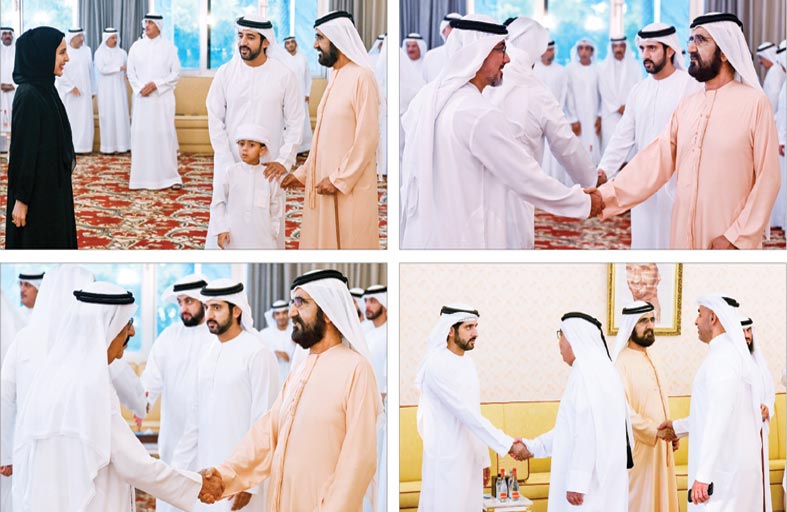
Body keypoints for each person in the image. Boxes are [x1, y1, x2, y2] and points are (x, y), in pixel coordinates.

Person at [400, 14, 602, 249]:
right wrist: (583, 203)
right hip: (471, 232)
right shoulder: (477, 112)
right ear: (479, 52)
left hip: (433, 230)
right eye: (501, 49)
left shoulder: (431, 97)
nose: (507, 58)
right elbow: (524, 176)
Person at [11, 281, 208, 511]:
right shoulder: (91, 386)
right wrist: (199, 486)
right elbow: (134, 464)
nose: (132, 332)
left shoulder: (53, 376)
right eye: (127, 323)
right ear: (105, 328)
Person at [197, 269, 381, 511]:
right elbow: (266, 435)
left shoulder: (356, 369)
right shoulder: (299, 371)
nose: (292, 312)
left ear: (327, 312)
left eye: (300, 302)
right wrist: (225, 475)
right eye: (293, 302)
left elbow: (358, 460)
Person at [597, 13, 781, 249]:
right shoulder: (687, 105)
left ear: (725, 52)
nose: (691, 48)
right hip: (682, 234)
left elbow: (769, 177)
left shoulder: (755, 103)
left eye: (701, 40)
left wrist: (736, 237)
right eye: (691, 40)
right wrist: (604, 197)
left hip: (728, 240)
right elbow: (654, 161)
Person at [487, 16, 597, 249]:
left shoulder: (483, 77)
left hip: (476, 192)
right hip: (519, 190)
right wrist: (592, 180)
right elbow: (565, 145)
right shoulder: (536, 90)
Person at [172, 278, 279, 512]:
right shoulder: (207, 353)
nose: (209, 314)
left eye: (217, 307)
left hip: (243, 477)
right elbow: (194, 420)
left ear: (237, 310)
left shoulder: (258, 353)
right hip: (207, 473)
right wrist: (177, 470)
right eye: (207, 307)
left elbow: (265, 423)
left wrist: (249, 484)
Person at [280, 11, 380, 249]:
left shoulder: (362, 77)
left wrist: (338, 179)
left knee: (349, 242)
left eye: (320, 38)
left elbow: (367, 138)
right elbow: (322, 138)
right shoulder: (335, 75)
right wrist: (303, 173)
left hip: (347, 185)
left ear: (337, 39)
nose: (315, 45)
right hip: (323, 182)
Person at [598, 23, 702, 249]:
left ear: (670, 50)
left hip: (677, 182)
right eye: (643, 49)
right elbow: (622, 136)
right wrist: (604, 170)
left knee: (675, 244)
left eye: (652, 48)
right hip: (643, 182)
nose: (646, 55)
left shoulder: (690, 86)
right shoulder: (639, 90)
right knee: (644, 243)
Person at [416, 304, 530, 512]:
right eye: (469, 327)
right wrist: (508, 445)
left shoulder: (467, 363)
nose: (476, 333)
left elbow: (474, 413)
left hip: (469, 458)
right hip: (446, 460)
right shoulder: (436, 365)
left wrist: (482, 458)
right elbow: (466, 414)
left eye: (476, 326)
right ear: (450, 330)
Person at [1, 265, 94, 512]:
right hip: (39, 446)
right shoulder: (26, 338)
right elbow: (5, 396)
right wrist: (4, 453)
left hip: (63, 448)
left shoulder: (27, 338)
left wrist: (5, 453)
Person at [204, 14, 303, 248]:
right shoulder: (225, 73)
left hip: (268, 166)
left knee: (266, 221)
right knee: (226, 220)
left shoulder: (284, 76)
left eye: (250, 37)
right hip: (230, 161)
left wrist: (284, 160)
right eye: (240, 36)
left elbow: (296, 121)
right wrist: (225, 157)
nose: (243, 42)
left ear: (265, 41)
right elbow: (215, 118)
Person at [657, 295, 764, 510]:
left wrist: (703, 476)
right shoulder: (730, 355)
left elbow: (718, 417)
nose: (696, 321)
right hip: (733, 469)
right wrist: (677, 427)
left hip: (723, 473)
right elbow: (711, 412)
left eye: (699, 314)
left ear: (713, 318)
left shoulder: (722, 359)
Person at [523, 312, 630, 511]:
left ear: (574, 338)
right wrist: (534, 447)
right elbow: (569, 430)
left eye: (561, 336)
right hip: (604, 480)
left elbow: (586, 430)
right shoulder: (604, 371)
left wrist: (578, 482)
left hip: (587, 487)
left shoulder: (585, 375)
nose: (560, 344)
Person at [139, 274, 214, 512]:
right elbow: (152, 377)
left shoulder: (217, 337)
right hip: (175, 427)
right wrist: (142, 403)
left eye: (189, 301)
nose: (183, 309)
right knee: (172, 486)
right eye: (180, 302)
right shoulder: (169, 336)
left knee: (206, 488)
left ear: (203, 302)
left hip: (208, 428)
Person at [4, 27, 77, 249]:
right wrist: (21, 200)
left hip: (51, 186)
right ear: (43, 55)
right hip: (36, 195)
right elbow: (23, 152)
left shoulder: (46, 88)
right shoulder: (29, 95)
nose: (67, 58)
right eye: (62, 52)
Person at [612, 301, 679, 511]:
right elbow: (622, 411)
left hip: (662, 447)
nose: (650, 325)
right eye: (643, 321)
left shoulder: (653, 357)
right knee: (641, 503)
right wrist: (654, 432)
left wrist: (672, 434)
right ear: (630, 325)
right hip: (639, 451)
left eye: (651, 320)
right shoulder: (620, 363)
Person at [127, 13, 182, 190]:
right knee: (141, 136)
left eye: (151, 22)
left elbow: (176, 74)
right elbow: (130, 72)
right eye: (146, 22)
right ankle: (141, 179)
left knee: (164, 136)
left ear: (158, 25)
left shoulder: (169, 47)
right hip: (142, 100)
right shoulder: (136, 46)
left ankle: (169, 177)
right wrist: (140, 88)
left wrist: (156, 85)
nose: (147, 25)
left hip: (162, 100)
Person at [212, 124, 285, 249]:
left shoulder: (269, 175)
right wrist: (221, 228)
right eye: (241, 144)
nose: (244, 149)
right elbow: (218, 201)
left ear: (262, 150)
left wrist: (273, 230)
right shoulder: (231, 172)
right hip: (234, 234)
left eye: (251, 145)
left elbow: (276, 205)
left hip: (263, 235)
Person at [742, 316, 776, 512]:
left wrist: (767, 408)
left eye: (749, 331)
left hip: (760, 430)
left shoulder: (759, 363)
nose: (747, 336)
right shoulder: (733, 363)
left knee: (760, 482)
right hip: (742, 434)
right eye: (743, 331)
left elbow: (770, 393)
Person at [597, 36, 641, 153]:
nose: (618, 49)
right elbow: (603, 90)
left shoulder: (635, 66)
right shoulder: (602, 67)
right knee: (610, 148)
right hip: (610, 115)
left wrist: (628, 107)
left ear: (626, 47)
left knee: (629, 149)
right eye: (615, 46)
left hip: (630, 113)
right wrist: (618, 107)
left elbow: (638, 88)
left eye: (621, 46)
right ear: (611, 48)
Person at [55, 28, 94, 154]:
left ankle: (84, 147)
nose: (82, 39)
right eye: (79, 36)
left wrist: (93, 90)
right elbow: (59, 73)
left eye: (82, 36)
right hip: (69, 94)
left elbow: (91, 72)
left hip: (85, 93)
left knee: (84, 120)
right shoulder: (64, 51)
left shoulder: (87, 51)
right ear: (72, 37)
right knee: (70, 119)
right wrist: (71, 87)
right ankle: (70, 147)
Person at [565, 37, 602, 164]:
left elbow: (602, 94)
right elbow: (568, 95)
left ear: (592, 51)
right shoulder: (570, 70)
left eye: (587, 49)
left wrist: (600, 115)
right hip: (576, 118)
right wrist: (573, 119)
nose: (584, 52)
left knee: (593, 147)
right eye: (581, 48)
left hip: (593, 116)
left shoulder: (598, 69)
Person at [94, 28, 130, 154]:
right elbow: (102, 69)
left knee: (120, 115)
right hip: (106, 91)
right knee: (108, 116)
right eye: (112, 38)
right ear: (106, 39)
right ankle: (108, 147)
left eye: (116, 37)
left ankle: (122, 146)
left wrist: (126, 72)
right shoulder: (99, 53)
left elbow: (127, 69)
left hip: (119, 89)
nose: (115, 40)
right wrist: (119, 68)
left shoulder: (122, 53)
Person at [283, 35, 313, 153]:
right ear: (285, 46)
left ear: (296, 44)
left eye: (292, 42)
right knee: (288, 119)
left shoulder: (302, 58)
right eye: (288, 43)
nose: (290, 44)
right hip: (287, 95)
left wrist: (307, 92)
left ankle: (304, 146)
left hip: (301, 95)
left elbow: (308, 77)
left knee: (303, 119)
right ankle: (289, 146)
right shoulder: (283, 59)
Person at [258, 299, 295, 388]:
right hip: (273, 380)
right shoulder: (264, 334)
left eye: (284, 313)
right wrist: (275, 352)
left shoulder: (296, 332)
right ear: (273, 316)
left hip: (294, 378)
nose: (281, 317)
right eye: (277, 314)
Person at [422, 13, 462, 83]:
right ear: (443, 31)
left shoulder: (471, 55)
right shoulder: (430, 56)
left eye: (458, 27)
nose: (454, 30)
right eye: (451, 27)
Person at [756, 41, 786, 114]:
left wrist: (769, 115)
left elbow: (774, 95)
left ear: (768, 56)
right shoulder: (778, 68)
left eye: (761, 58)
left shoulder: (774, 71)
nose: (760, 62)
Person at [0, 26, 16, 151]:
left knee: (15, 118)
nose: (7, 36)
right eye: (4, 34)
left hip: (14, 91)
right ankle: (2, 149)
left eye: (9, 34)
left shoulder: (18, 51)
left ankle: (14, 149)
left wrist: (13, 85)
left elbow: (23, 69)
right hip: (0, 92)